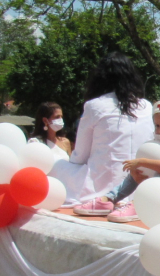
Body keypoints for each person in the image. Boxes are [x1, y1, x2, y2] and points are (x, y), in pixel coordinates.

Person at [50, 52, 154, 205]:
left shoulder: (94, 106)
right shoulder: (147, 106)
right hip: (141, 184)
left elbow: (80, 156)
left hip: (103, 185)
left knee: (58, 166)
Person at [74, 100, 160, 222]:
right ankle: (109, 199)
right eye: (157, 126)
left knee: (156, 164)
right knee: (139, 169)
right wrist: (137, 171)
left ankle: (139, 204)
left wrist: (141, 162)